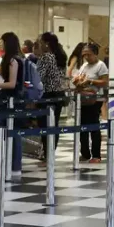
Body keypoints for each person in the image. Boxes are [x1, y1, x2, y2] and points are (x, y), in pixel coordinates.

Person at [0, 32, 25, 180]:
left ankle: (14, 166)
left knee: (12, 133)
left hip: (11, 100)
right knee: (6, 133)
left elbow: (12, 83)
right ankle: (8, 164)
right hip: (8, 99)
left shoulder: (13, 60)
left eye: (2, 41)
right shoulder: (9, 59)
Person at [72, 43, 108, 163]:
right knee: (82, 126)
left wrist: (90, 82)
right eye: (84, 55)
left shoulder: (101, 65)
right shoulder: (84, 66)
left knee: (93, 126)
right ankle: (85, 153)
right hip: (83, 99)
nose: (87, 57)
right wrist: (78, 81)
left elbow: (104, 82)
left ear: (95, 53)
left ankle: (96, 155)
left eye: (89, 54)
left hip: (95, 100)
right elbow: (80, 78)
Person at [38, 32, 67, 165]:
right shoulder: (60, 56)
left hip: (48, 94)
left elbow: (39, 77)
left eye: (40, 42)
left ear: (46, 43)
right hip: (59, 94)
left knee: (45, 124)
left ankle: (47, 154)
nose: (39, 45)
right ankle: (51, 153)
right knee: (54, 124)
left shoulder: (46, 57)